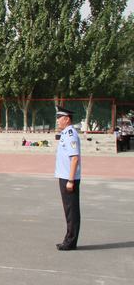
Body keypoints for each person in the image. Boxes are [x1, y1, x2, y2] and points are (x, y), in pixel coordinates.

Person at [54, 106, 82, 251]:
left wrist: (70, 181)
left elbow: (75, 158)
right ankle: (68, 239)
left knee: (72, 210)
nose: (57, 121)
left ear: (67, 119)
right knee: (68, 210)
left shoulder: (71, 134)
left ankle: (71, 242)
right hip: (64, 177)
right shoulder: (65, 133)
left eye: (59, 118)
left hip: (69, 179)